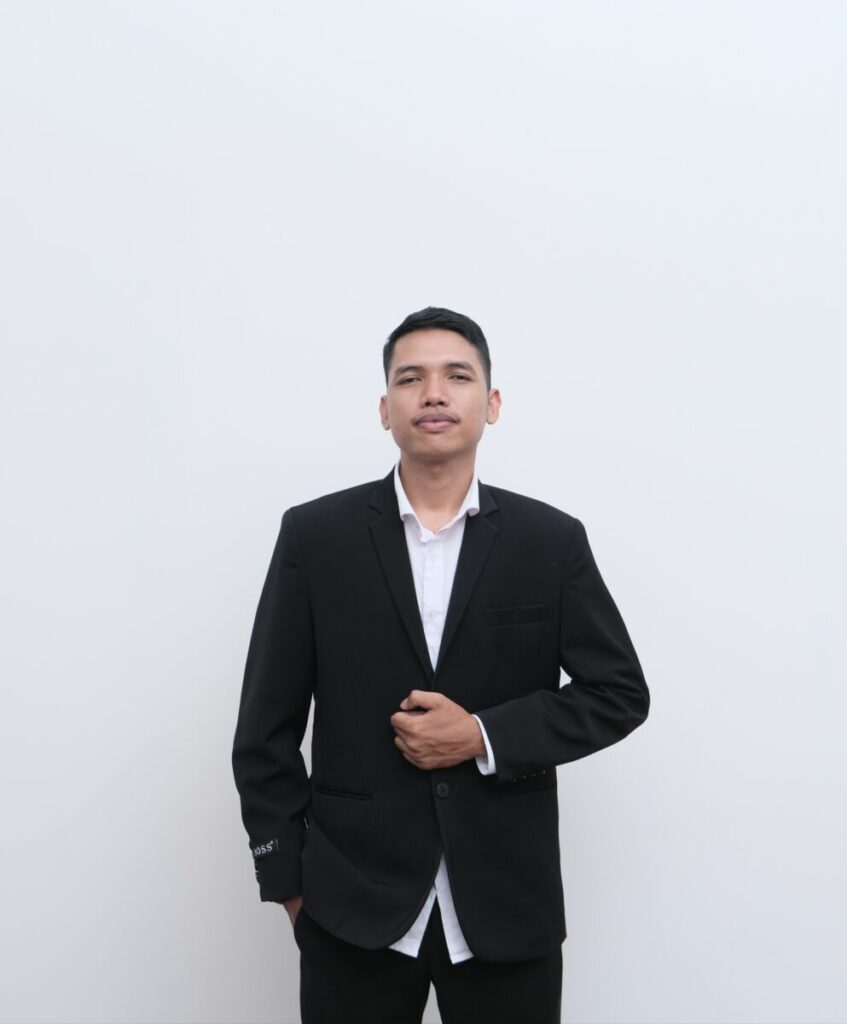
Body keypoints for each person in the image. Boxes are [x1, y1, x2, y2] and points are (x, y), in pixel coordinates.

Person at [231, 306, 650, 1024]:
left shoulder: (549, 541)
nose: (433, 393)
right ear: (384, 408)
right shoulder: (315, 537)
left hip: (507, 907)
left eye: (457, 376)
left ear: (491, 403)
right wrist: (291, 887)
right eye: (410, 378)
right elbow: (264, 729)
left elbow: (618, 693)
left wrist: (482, 736)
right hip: (349, 911)